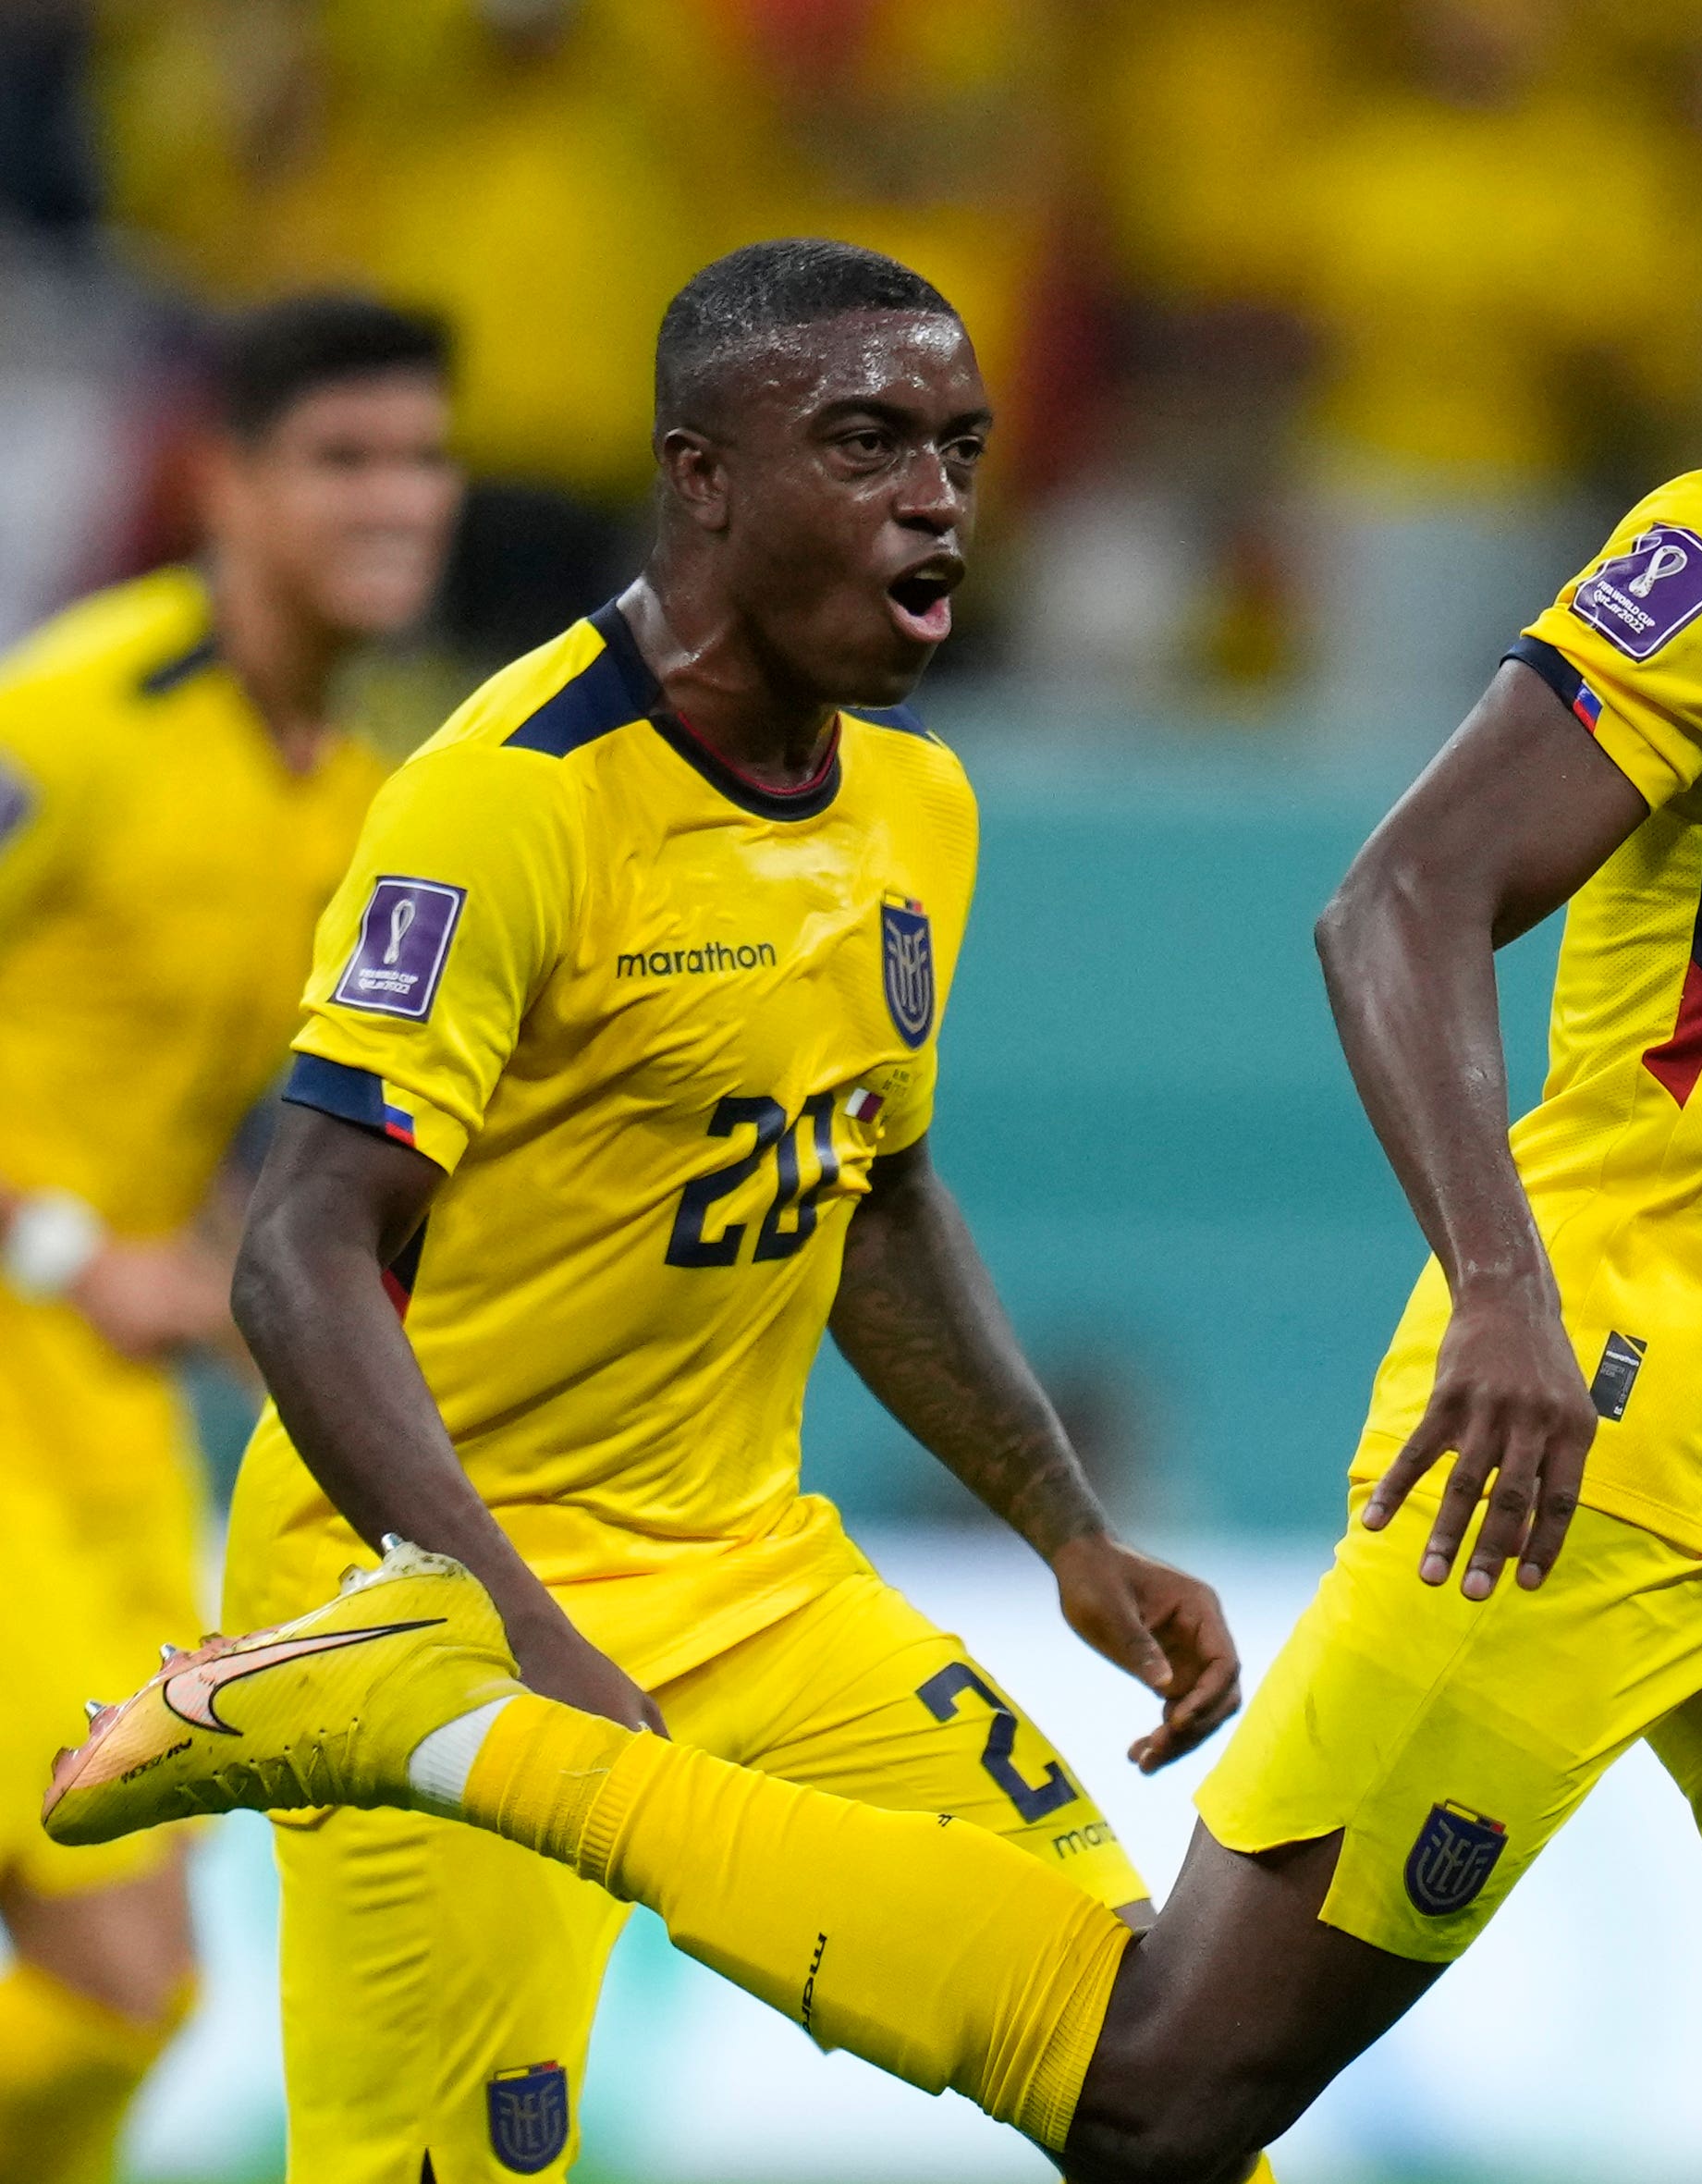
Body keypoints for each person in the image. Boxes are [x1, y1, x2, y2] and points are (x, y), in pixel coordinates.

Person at [55, 82, 1702, 2184]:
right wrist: (1500, 1287)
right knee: (1163, 2094)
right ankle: (439, 1715)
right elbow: (1397, 896)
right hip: (1574, 1449)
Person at [149, 240, 1250, 2184]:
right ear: (701, 476)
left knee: (1151, 2055)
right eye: (866, 441)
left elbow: (874, 1192)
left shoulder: (918, 804)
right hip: (425, 1598)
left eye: (961, 448)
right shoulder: (511, 798)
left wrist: (1067, 1526)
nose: (935, 499)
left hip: (750, 1572)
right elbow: (299, 1245)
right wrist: (497, 1616)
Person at [0, 293, 458, 2184]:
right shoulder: (75, 714)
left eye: (424, 458)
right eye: (343, 459)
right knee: (128, 1964)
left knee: (132, 1995)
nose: (397, 500)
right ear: (224, 482)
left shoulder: (356, 798)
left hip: (112, 1441)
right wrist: (54, 1242)